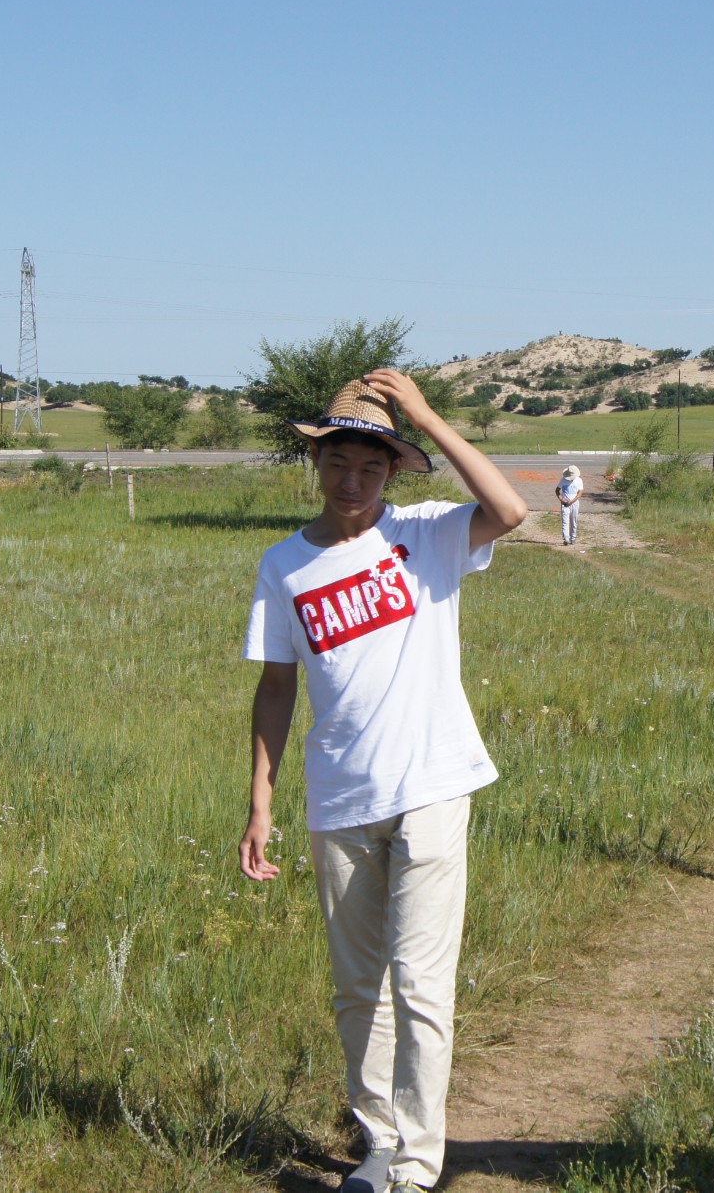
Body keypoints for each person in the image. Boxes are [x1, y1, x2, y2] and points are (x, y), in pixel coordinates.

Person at [238, 372, 527, 1193]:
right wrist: (260, 802)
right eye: (338, 462)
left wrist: (427, 417)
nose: (352, 481)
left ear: (394, 469)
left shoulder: (427, 534)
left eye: (371, 465)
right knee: (358, 987)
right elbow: (275, 687)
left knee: (422, 984)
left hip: (433, 783)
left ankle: (418, 1162)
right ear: (315, 463)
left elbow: (511, 510)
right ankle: (379, 1143)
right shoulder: (284, 565)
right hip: (339, 798)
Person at [556, 463, 584, 547]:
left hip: (574, 503)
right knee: (565, 521)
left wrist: (572, 501)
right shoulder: (563, 480)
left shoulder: (579, 480)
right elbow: (557, 490)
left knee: (573, 520)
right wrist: (562, 499)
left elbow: (580, 492)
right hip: (565, 503)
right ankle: (566, 539)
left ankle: (573, 537)